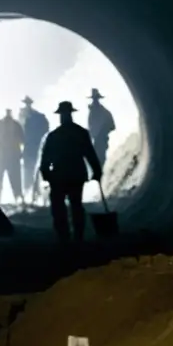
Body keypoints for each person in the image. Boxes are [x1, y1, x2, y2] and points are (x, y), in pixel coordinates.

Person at [40, 102, 103, 244]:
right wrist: (97, 171)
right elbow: (90, 154)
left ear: (61, 115)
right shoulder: (81, 132)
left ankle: (64, 237)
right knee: (76, 205)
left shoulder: (54, 135)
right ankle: (78, 236)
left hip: (59, 175)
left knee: (58, 207)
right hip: (76, 174)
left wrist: (46, 173)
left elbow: (46, 158)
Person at [0, 108, 25, 206]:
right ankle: (0, 200)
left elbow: (22, 139)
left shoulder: (13, 125)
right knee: (0, 180)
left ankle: (17, 199)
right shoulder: (7, 124)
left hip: (7, 155)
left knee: (13, 180)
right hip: (5, 155)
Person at [19, 96, 49, 199]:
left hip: (33, 147)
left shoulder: (31, 117)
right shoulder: (37, 117)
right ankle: (32, 193)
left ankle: (33, 193)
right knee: (31, 170)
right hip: (32, 147)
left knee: (32, 171)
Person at [87, 88, 116, 169]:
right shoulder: (93, 112)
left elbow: (112, 126)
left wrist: (103, 131)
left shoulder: (103, 112)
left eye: (96, 99)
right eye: (94, 99)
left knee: (100, 161)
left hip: (101, 140)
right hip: (98, 140)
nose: (94, 101)